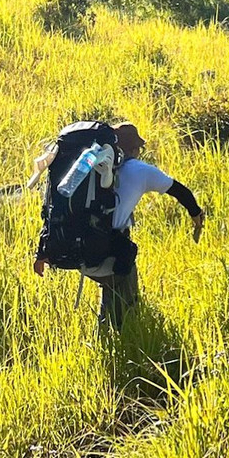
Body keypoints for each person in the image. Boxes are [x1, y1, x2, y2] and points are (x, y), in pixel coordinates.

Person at [33, 120, 204, 326]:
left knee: (112, 280)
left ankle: (109, 324)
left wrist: (42, 252)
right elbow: (180, 191)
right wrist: (196, 215)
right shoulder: (140, 170)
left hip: (73, 248)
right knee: (124, 298)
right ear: (134, 149)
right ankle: (117, 335)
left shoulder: (88, 167)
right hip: (101, 252)